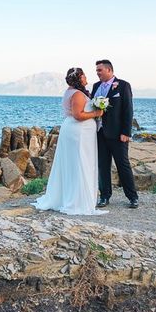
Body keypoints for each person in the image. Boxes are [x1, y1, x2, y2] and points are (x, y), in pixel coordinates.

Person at [32, 67, 106, 215]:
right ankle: (77, 201)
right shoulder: (77, 94)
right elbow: (78, 115)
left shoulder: (73, 92)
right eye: (84, 76)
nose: (86, 78)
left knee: (75, 163)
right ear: (79, 78)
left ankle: (69, 195)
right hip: (79, 132)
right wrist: (96, 113)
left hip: (78, 131)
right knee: (80, 163)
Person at [91, 59, 139, 209]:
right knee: (102, 166)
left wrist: (126, 132)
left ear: (109, 70)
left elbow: (128, 110)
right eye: (97, 70)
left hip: (118, 134)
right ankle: (105, 196)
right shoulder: (96, 86)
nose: (97, 73)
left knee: (123, 165)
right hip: (99, 133)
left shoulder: (123, 85)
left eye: (100, 70)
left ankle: (132, 197)